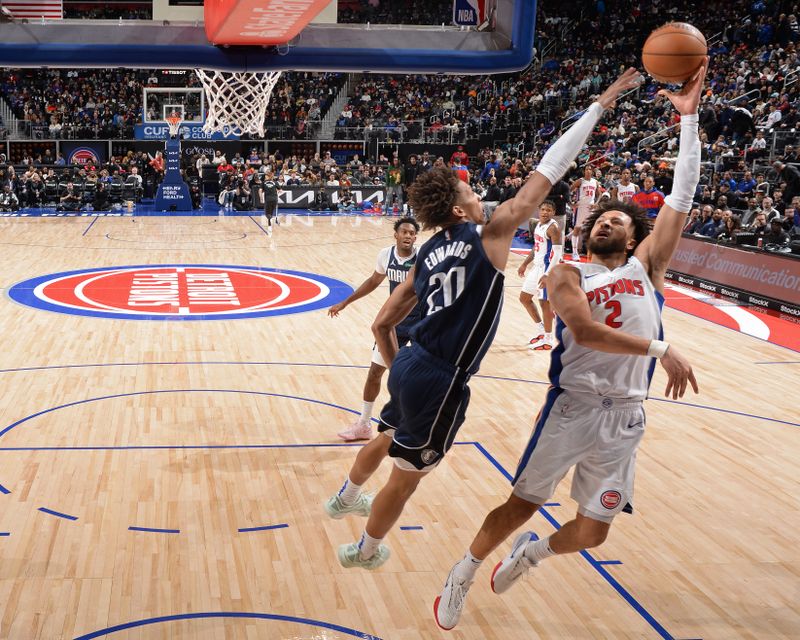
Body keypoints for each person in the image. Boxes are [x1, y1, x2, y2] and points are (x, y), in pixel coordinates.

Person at [324, 68, 645, 572]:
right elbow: (550, 169)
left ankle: (345, 496)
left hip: (410, 361)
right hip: (442, 378)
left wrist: (403, 367)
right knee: (406, 476)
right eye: (470, 189)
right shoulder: (490, 234)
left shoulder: (426, 251)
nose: (478, 193)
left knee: (389, 433)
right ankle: (365, 551)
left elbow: (382, 322)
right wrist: (600, 105)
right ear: (458, 206)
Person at [433, 61, 707, 631]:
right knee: (522, 504)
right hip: (573, 406)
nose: (605, 223)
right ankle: (462, 571)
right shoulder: (569, 275)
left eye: (616, 219)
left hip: (627, 416)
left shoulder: (648, 267)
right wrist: (662, 350)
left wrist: (688, 121)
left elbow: (682, 195)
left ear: (635, 234)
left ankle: (535, 554)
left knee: (594, 531)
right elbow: (582, 333)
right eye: (599, 219)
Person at [327, 217, 420, 442]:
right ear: (395, 235)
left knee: (419, 378)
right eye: (404, 232)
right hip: (393, 323)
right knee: (375, 373)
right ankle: (364, 424)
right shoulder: (385, 255)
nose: (408, 236)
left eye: (412, 233)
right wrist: (345, 302)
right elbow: (373, 281)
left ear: (416, 237)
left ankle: (418, 424)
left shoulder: (423, 257)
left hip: (421, 324)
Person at [517, 200, 563, 350]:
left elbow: (557, 253)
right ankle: (541, 329)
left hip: (547, 268)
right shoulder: (538, 225)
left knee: (545, 304)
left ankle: (549, 339)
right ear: (539, 210)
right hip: (536, 267)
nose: (545, 212)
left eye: (548, 210)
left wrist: (548, 274)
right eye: (543, 209)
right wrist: (524, 263)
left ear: (553, 213)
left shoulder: (553, 228)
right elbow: (535, 248)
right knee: (524, 298)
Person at [570, 165, 599, 261]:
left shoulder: (595, 182)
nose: (588, 171)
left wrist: (596, 203)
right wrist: (571, 203)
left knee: (592, 230)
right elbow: (569, 190)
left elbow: (600, 195)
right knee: (577, 229)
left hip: (591, 208)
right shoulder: (580, 181)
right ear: (584, 171)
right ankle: (574, 253)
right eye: (586, 169)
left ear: (592, 171)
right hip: (581, 207)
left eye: (590, 169)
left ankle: (590, 252)